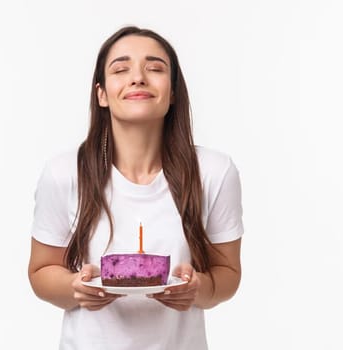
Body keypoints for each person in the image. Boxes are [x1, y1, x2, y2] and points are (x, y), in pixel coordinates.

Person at [27, 26, 244, 349]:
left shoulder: (214, 172)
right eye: (121, 68)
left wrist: (198, 289)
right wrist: (75, 287)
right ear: (101, 94)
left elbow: (227, 273)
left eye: (155, 68)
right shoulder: (64, 172)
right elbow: (41, 271)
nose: (138, 77)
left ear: (172, 93)